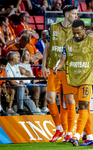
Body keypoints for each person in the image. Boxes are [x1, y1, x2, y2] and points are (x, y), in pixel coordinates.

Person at [53, 19, 93, 146]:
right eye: (74, 33)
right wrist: (57, 67)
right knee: (83, 110)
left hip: (88, 79)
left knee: (83, 106)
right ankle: (90, 137)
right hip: (74, 80)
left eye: (78, 33)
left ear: (84, 30)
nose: (76, 35)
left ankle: (77, 135)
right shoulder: (68, 43)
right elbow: (62, 59)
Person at [41, 5, 78, 142]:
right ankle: (59, 129)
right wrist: (43, 66)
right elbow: (47, 48)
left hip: (68, 70)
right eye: (74, 14)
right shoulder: (53, 27)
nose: (76, 16)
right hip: (53, 70)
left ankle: (69, 132)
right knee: (50, 98)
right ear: (67, 14)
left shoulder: (76, 30)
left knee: (69, 101)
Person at [19, 49, 46, 113]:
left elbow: (31, 77)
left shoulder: (28, 65)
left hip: (30, 83)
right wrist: (32, 78)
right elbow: (28, 75)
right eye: (26, 54)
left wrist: (37, 79)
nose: (28, 56)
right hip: (24, 84)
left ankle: (44, 107)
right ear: (22, 55)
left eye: (29, 54)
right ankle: (36, 108)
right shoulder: (19, 65)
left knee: (46, 87)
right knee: (37, 87)